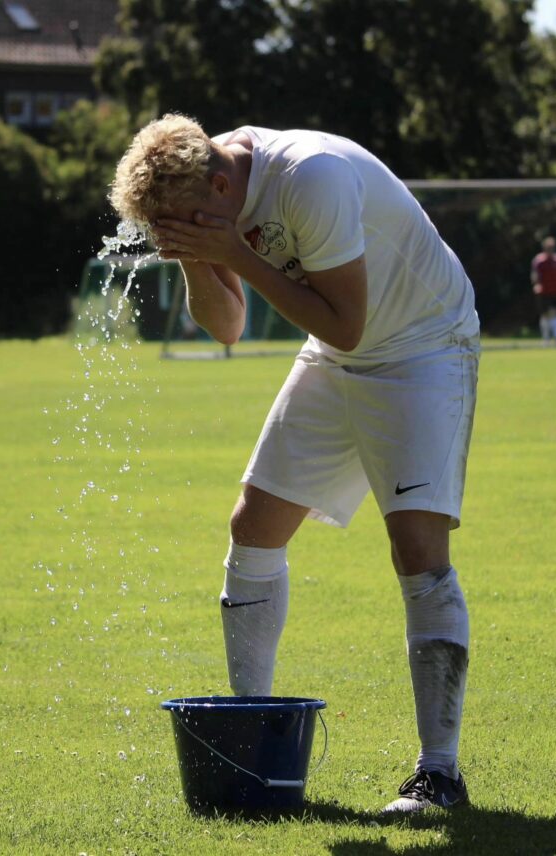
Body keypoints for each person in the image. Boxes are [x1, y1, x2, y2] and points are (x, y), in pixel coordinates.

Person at [110, 114, 480, 814]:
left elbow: (346, 321)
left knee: (418, 552)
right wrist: (195, 251)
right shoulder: (210, 190)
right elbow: (226, 326)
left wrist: (236, 254)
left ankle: (440, 778)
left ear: (223, 184)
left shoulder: (311, 177)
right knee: (253, 525)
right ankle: (250, 745)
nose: (184, 231)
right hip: (342, 352)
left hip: (423, 347)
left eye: (187, 222)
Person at [531, 236, 556, 344]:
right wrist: (536, 285)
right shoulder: (539, 261)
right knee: (545, 315)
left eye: (552, 247)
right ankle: (546, 338)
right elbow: (535, 275)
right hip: (544, 292)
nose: (550, 250)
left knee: (555, 313)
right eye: (548, 247)